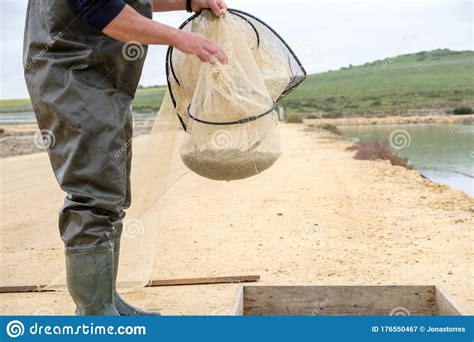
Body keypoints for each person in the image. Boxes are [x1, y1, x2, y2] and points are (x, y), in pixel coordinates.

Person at [23, 0, 228, 316]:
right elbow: (105, 11)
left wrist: (187, 2)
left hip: (100, 81)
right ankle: (94, 315)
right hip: (73, 78)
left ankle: (107, 299)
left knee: (112, 194)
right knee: (93, 197)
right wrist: (181, 38)